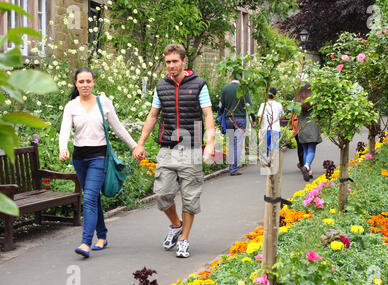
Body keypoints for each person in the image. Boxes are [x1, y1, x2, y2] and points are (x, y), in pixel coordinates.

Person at [132, 44, 215, 258]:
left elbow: (207, 115)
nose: (171, 66)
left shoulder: (199, 85)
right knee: (162, 194)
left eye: (175, 61)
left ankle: (184, 239)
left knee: (190, 198)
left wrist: (211, 142)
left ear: (184, 62)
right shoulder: (161, 86)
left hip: (191, 149)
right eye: (168, 62)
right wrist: (140, 142)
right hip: (167, 148)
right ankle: (175, 225)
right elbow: (152, 115)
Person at [59, 67, 137, 258]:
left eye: (88, 81)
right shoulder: (72, 106)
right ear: (76, 84)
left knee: (89, 198)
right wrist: (63, 148)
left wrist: (135, 146)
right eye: (81, 82)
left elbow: (118, 128)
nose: (85, 85)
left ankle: (86, 242)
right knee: (92, 197)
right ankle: (101, 236)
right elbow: (65, 130)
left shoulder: (104, 102)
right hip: (79, 159)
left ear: (93, 82)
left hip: (98, 158)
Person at [218, 74, 255, 175]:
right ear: (240, 77)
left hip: (228, 120)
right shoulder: (243, 89)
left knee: (231, 144)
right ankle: (233, 168)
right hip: (240, 120)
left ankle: (231, 166)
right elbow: (249, 105)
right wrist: (253, 118)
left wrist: (221, 115)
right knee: (238, 145)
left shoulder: (225, 89)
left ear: (231, 77)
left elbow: (221, 106)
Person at [296, 82, 322, 182]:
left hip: (301, 128)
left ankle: (308, 171)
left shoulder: (297, 101)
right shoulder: (314, 100)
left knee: (305, 149)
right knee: (311, 149)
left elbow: (293, 111)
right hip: (312, 127)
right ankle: (306, 166)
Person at [257, 86, 284, 161]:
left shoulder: (263, 105)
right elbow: (281, 117)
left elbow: (261, 118)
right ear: (275, 95)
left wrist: (259, 130)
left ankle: (268, 164)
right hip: (275, 129)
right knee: (274, 148)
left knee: (266, 149)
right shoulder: (279, 105)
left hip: (265, 130)